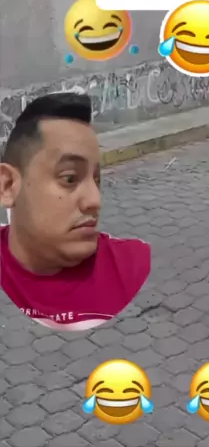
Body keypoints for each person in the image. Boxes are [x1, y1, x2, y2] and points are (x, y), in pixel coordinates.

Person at [0, 93, 151, 331]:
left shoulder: (132, 267)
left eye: (97, 180)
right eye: (70, 178)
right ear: (8, 186)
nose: (95, 200)